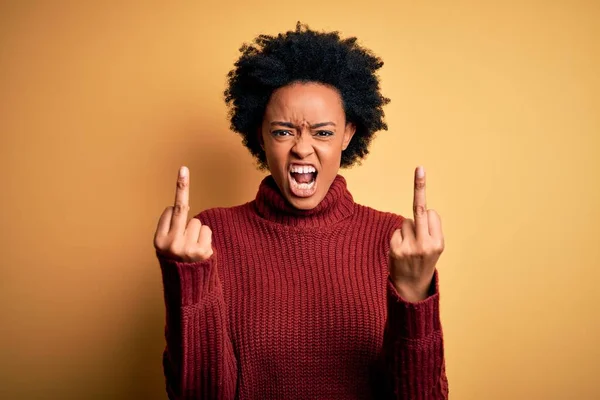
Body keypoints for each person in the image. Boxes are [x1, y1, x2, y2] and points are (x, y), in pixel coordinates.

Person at [154, 22, 448, 400]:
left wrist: (413, 294)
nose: (302, 149)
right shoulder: (209, 237)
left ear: (348, 134)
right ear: (260, 133)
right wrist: (188, 280)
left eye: (323, 133)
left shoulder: (397, 244)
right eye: (283, 132)